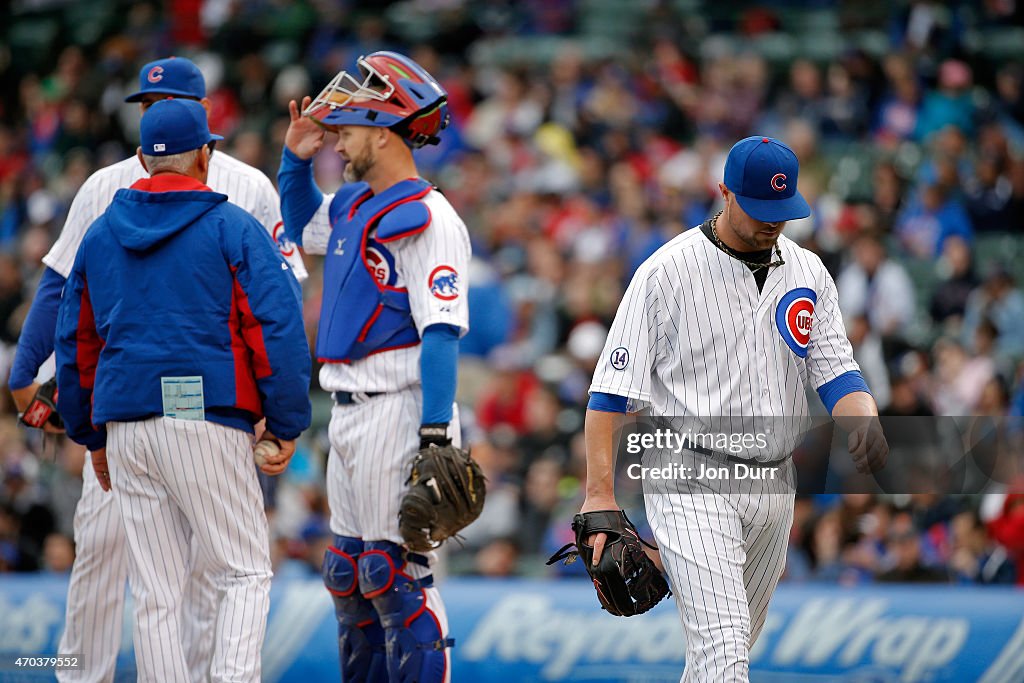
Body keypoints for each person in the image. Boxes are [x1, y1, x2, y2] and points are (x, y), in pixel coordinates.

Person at [6, 55, 306, 683]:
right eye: (144, 104)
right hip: (201, 412)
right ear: (202, 147)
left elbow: (75, 327)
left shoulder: (127, 217)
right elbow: (275, 320)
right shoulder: (205, 211)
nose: (151, 111)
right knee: (226, 568)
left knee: (163, 586)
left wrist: (88, 430)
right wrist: (284, 418)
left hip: (124, 416)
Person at [580, 136, 888, 681]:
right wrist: (599, 494)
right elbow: (609, 392)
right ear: (724, 192)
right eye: (760, 208)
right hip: (688, 472)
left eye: (783, 210)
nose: (774, 222)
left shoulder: (809, 272)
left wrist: (862, 417)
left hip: (774, 482)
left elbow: (837, 368)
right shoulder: (666, 272)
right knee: (724, 654)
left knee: (723, 656)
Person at [278, 51, 470, 682]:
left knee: (396, 577)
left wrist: (436, 433)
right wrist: (296, 159)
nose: (341, 138)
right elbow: (302, 222)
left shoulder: (430, 215)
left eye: (351, 129)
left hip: (402, 406)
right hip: (349, 410)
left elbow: (441, 330)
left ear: (384, 133)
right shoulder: (355, 204)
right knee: (349, 575)